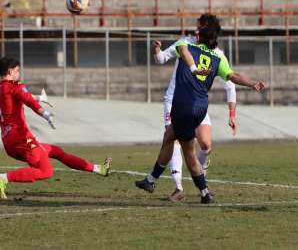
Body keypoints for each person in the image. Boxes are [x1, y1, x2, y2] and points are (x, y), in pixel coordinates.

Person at [135, 13, 265, 204]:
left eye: (198, 29)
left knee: (187, 151)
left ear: (202, 33)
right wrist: (252, 83)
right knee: (170, 135)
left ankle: (204, 193)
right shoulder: (217, 57)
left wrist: (194, 68)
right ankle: (151, 180)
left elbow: (185, 52)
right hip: (201, 107)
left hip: (183, 105)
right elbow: (233, 76)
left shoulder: (186, 45)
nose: (195, 31)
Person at [0, 57, 112, 199]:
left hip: (9, 142)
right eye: (17, 71)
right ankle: (3, 179)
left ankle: (100, 169)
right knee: (46, 171)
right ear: (10, 71)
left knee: (56, 151)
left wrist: (40, 98)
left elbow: (21, 97)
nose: (18, 74)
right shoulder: (15, 85)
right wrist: (45, 114)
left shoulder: (3, 89)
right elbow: (27, 100)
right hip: (22, 138)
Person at [152, 16, 237, 201]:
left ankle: (201, 183)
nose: (196, 29)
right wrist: (157, 50)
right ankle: (178, 187)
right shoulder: (184, 43)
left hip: (197, 103)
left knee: (205, 144)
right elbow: (161, 58)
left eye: (201, 26)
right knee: (174, 138)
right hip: (175, 100)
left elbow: (230, 84)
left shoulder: (217, 54)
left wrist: (232, 113)